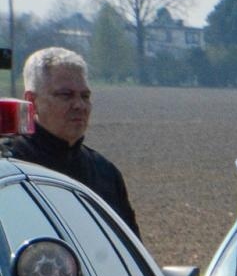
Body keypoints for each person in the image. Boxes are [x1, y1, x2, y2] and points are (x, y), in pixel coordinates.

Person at [3, 48, 139, 235]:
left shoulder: (106, 174)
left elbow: (129, 254)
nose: (79, 105)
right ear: (32, 101)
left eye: (85, 96)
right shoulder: (10, 170)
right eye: (66, 95)